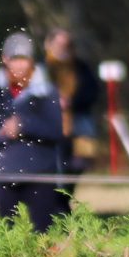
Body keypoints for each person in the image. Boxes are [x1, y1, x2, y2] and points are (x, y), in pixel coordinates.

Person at [0, 31, 72, 230]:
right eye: (14, 59)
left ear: (32, 61)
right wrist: (3, 133)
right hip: (5, 174)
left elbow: (56, 130)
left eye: (24, 59)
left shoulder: (46, 91)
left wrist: (24, 126)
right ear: (4, 59)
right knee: (8, 233)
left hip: (40, 174)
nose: (19, 65)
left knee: (43, 234)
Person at [41, 28, 104, 169]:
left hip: (78, 118)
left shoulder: (81, 67)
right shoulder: (41, 68)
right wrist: (54, 102)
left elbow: (92, 92)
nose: (64, 48)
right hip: (49, 121)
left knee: (81, 162)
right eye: (59, 44)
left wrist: (72, 102)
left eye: (68, 45)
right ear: (49, 44)